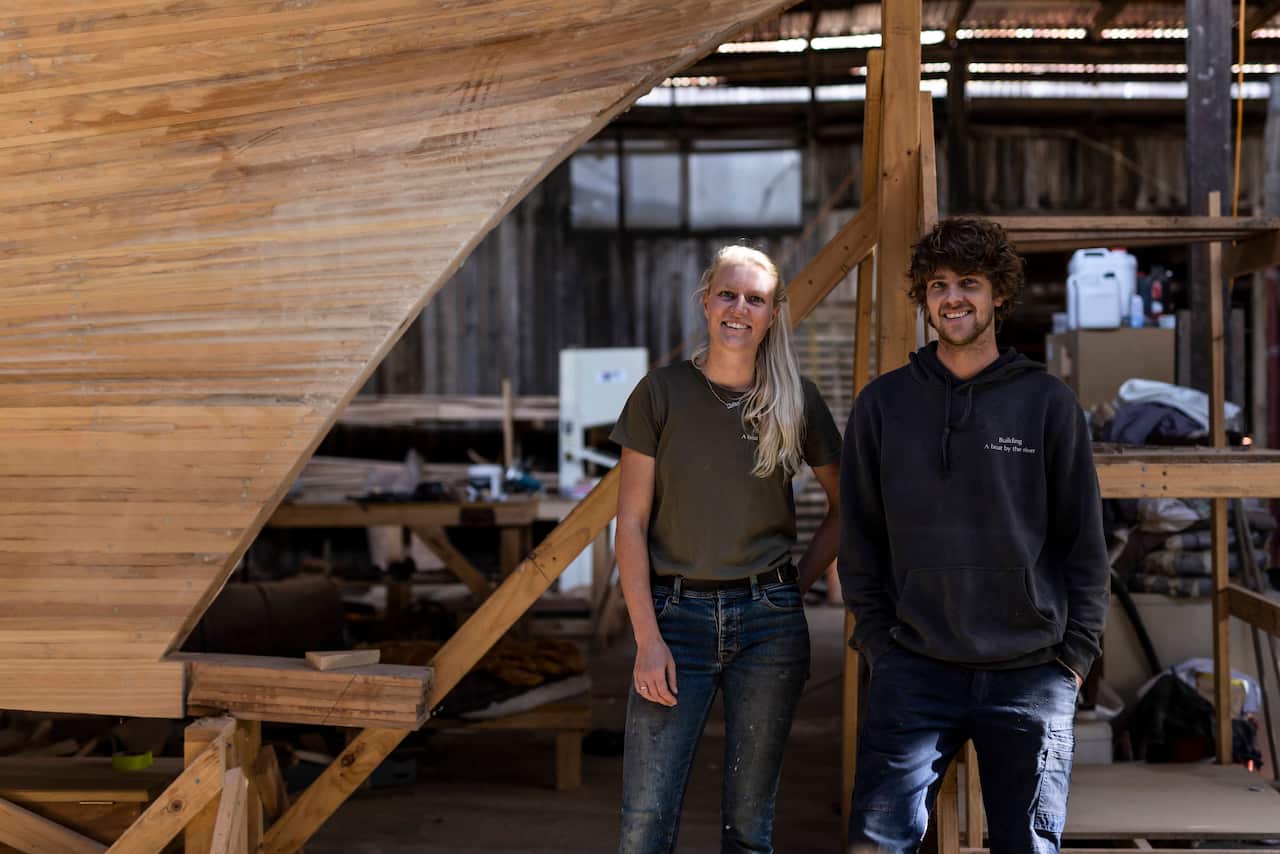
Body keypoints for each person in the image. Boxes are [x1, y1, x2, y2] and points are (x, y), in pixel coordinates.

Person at [840, 217, 1109, 854]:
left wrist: (1074, 662)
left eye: (969, 282)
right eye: (937, 284)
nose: (952, 297)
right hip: (915, 667)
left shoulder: (1048, 403)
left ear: (999, 294)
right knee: (876, 844)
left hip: (1031, 672)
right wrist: (880, 646)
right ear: (923, 297)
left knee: (1027, 846)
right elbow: (860, 538)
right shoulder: (882, 406)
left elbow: (1084, 545)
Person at [613, 244, 842, 854]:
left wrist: (796, 585)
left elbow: (849, 506)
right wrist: (646, 639)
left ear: (773, 313)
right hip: (674, 620)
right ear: (705, 301)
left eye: (755, 299)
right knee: (644, 824)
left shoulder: (797, 399)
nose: (740, 308)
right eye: (728, 294)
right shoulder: (660, 393)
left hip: (769, 628)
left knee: (748, 827)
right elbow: (630, 524)